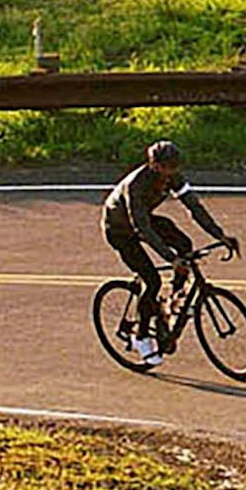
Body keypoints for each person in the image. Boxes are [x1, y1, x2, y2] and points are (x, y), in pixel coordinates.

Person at [101, 139, 233, 363]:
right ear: (153, 165)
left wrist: (220, 235)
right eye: (165, 168)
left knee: (185, 246)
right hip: (120, 230)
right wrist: (170, 259)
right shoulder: (136, 186)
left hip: (144, 222)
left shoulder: (173, 177)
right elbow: (141, 227)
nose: (169, 173)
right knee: (151, 281)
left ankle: (174, 300)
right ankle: (141, 337)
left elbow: (194, 207)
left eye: (174, 167)